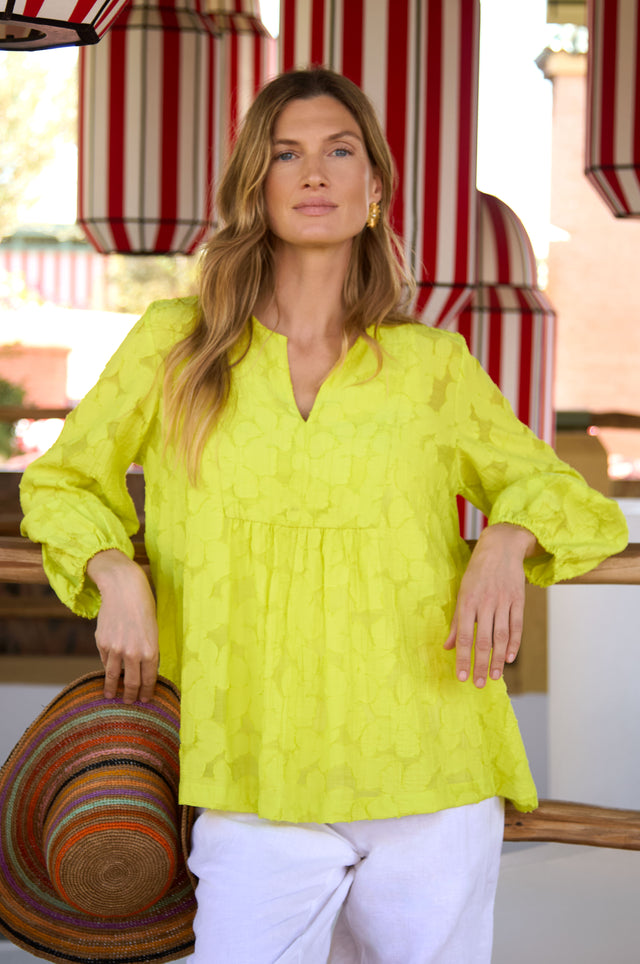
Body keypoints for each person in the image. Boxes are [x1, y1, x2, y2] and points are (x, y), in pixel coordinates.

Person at [20, 67, 627, 964]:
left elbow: (568, 499)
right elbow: (62, 484)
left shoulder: (429, 364)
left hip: (433, 761)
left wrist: (505, 535)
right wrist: (115, 568)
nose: (313, 173)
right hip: (252, 772)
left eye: (339, 151)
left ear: (373, 189)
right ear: (253, 188)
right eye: (285, 154)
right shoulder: (174, 347)